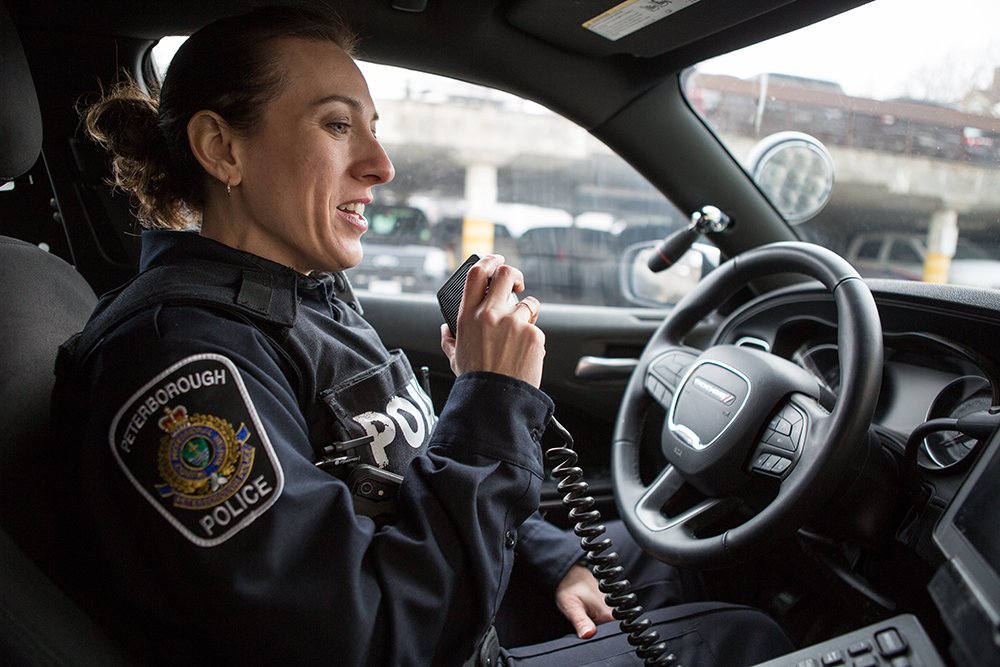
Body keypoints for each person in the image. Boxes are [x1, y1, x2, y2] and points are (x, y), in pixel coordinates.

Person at [55, 5, 793, 666]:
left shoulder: (307, 299)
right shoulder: (180, 361)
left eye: (373, 131)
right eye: (339, 125)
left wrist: (550, 555)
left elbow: (403, 477)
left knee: (686, 552)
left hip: (459, 591)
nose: (381, 167)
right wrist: (492, 399)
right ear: (222, 148)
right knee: (741, 637)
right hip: (432, 631)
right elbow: (371, 638)